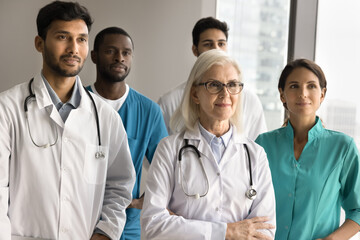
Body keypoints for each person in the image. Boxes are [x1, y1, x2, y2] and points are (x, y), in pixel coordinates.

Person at [0, 2, 136, 240]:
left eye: (82, 39)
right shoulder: (7, 109)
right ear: (39, 43)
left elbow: (119, 186)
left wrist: (105, 233)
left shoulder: (105, 118)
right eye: (63, 37)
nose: (74, 48)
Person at [141, 49, 276, 240]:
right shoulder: (169, 149)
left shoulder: (255, 154)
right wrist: (228, 232)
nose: (225, 93)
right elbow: (153, 225)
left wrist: (182, 226)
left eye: (232, 85)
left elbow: (264, 232)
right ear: (195, 93)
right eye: (214, 85)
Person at [255, 59, 360, 240]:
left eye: (311, 86)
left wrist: (332, 239)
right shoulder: (263, 144)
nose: (303, 93)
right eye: (294, 86)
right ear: (282, 95)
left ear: (322, 94)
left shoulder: (343, 147)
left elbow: (357, 209)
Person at [87, 27, 168, 240]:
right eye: (110, 51)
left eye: (126, 53)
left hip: (126, 229)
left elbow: (168, 171)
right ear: (93, 55)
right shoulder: (76, 103)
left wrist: (140, 202)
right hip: (79, 221)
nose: (119, 58)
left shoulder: (149, 111)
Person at [157, 17, 267, 140]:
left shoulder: (250, 100)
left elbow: (258, 146)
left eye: (221, 44)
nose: (216, 49)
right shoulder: (169, 101)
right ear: (195, 49)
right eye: (208, 44)